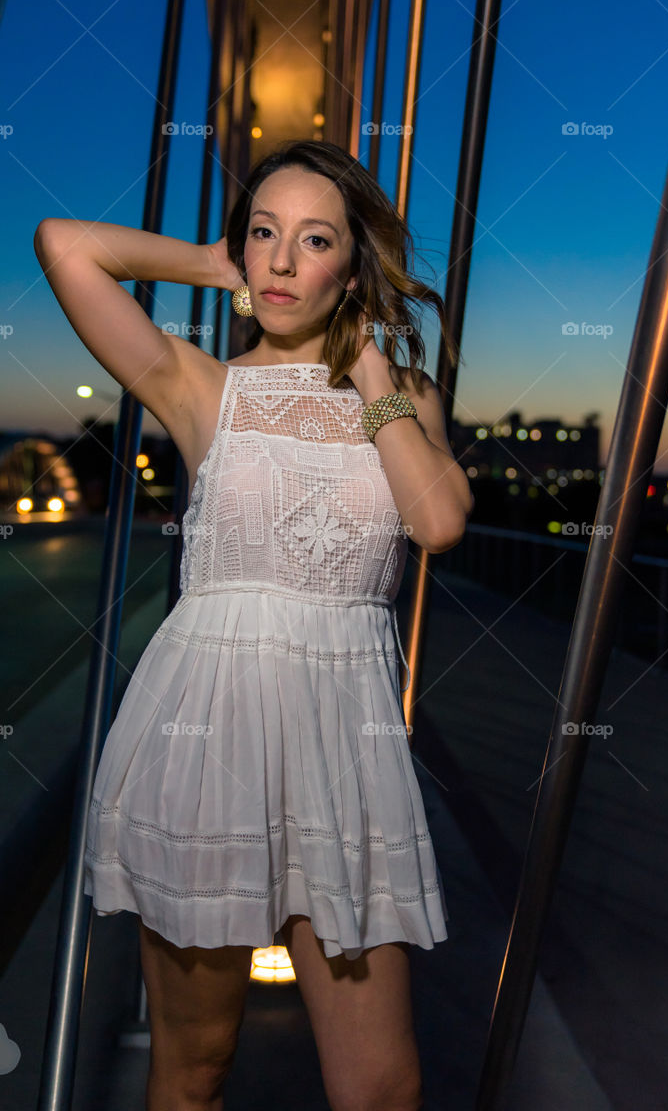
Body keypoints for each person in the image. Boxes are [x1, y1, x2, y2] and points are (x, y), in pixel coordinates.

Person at [34, 139, 474, 1111]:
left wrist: (366, 370)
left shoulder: (404, 399)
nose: (279, 262)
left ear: (352, 267)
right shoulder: (199, 386)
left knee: (382, 1085)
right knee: (194, 1069)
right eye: (263, 235)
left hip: (344, 752)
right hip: (203, 738)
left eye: (312, 240)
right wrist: (209, 257)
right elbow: (65, 244)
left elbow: (438, 519)